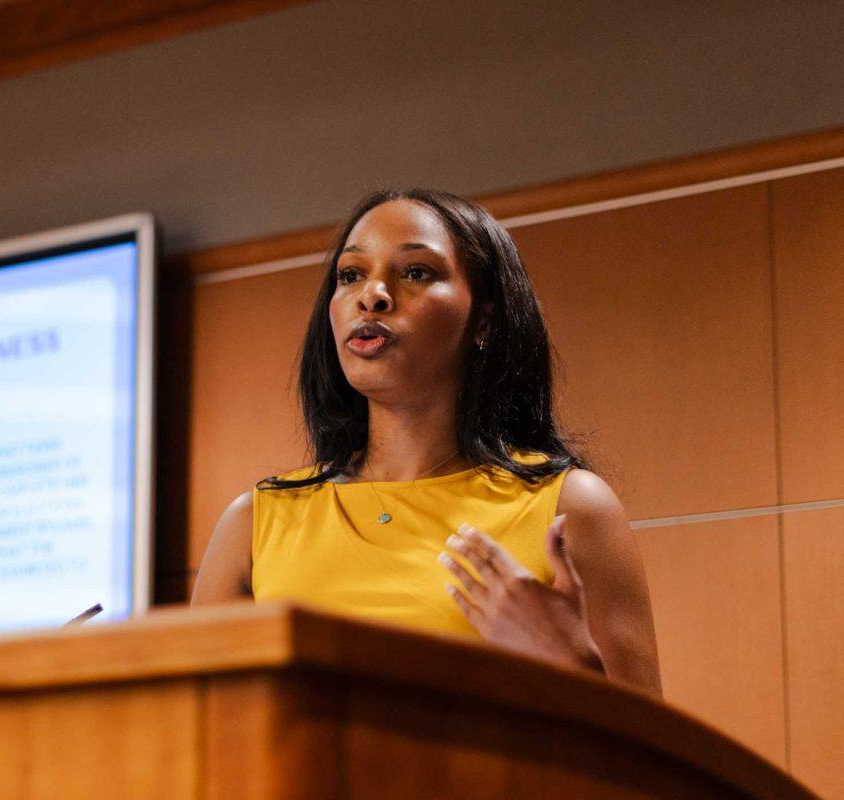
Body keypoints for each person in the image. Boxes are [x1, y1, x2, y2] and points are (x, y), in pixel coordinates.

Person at [190, 189, 662, 697]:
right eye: (351, 275)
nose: (372, 295)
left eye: (415, 272)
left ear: (484, 318)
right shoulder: (255, 523)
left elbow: (653, 768)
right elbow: (190, 740)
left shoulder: (568, 508)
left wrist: (574, 670)